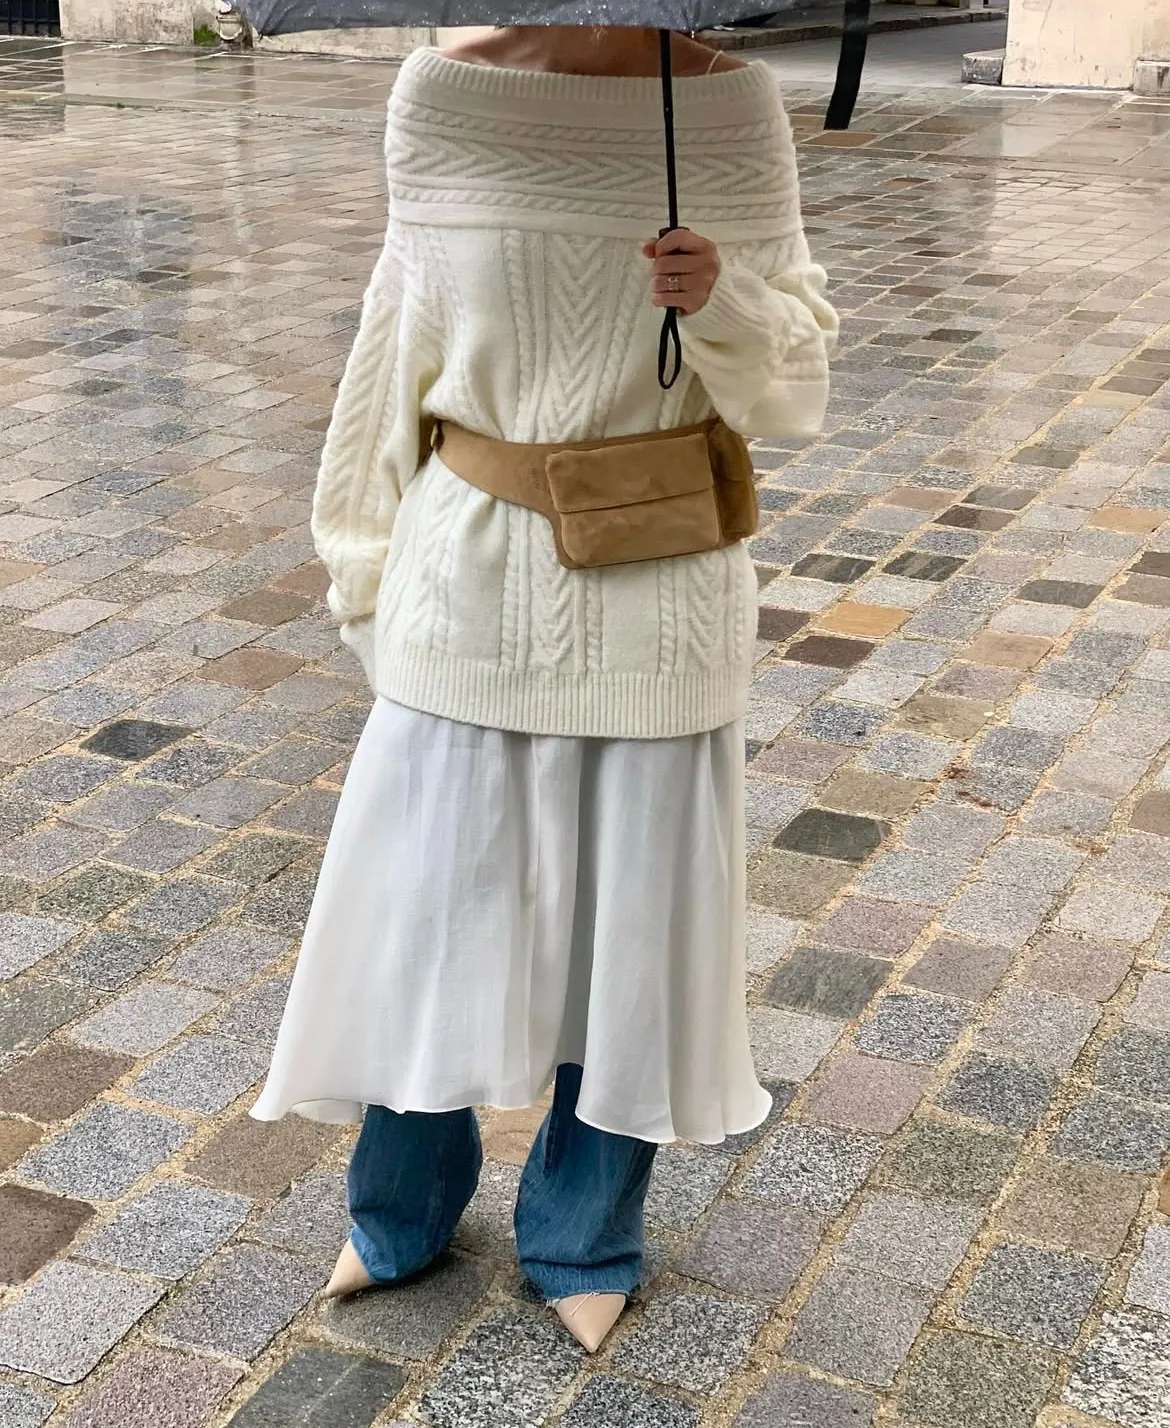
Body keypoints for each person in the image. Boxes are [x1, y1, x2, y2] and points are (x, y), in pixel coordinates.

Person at [251, 23, 837, 1354]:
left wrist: (721, 300)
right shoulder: (442, 91)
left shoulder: (729, 106)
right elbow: (390, 349)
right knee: (430, 918)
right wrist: (361, 575)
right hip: (462, 582)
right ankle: (398, 1214)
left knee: (633, 938)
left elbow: (796, 384)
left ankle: (585, 1236)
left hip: (663, 597)